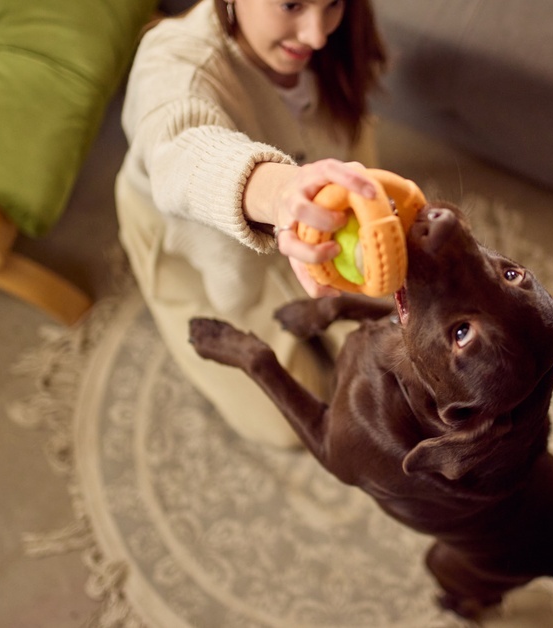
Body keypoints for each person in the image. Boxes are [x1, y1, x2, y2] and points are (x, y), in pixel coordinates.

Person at [115, 0, 388, 448]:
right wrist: (280, 193)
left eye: (333, 3)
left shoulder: (336, 41)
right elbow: (182, 149)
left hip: (307, 227)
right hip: (197, 251)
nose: (317, 35)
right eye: (291, 4)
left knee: (388, 357)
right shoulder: (173, 59)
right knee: (291, 424)